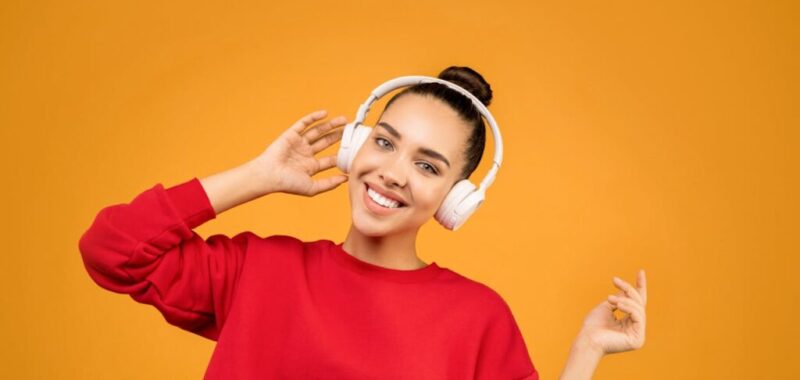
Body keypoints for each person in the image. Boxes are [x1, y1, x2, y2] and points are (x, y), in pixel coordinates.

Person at [78, 66, 647, 379]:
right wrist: (257, 176)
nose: (394, 173)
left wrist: (586, 352)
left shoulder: (476, 317)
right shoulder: (259, 270)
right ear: (355, 148)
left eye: (427, 165)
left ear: (457, 198)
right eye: (384, 143)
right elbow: (111, 248)